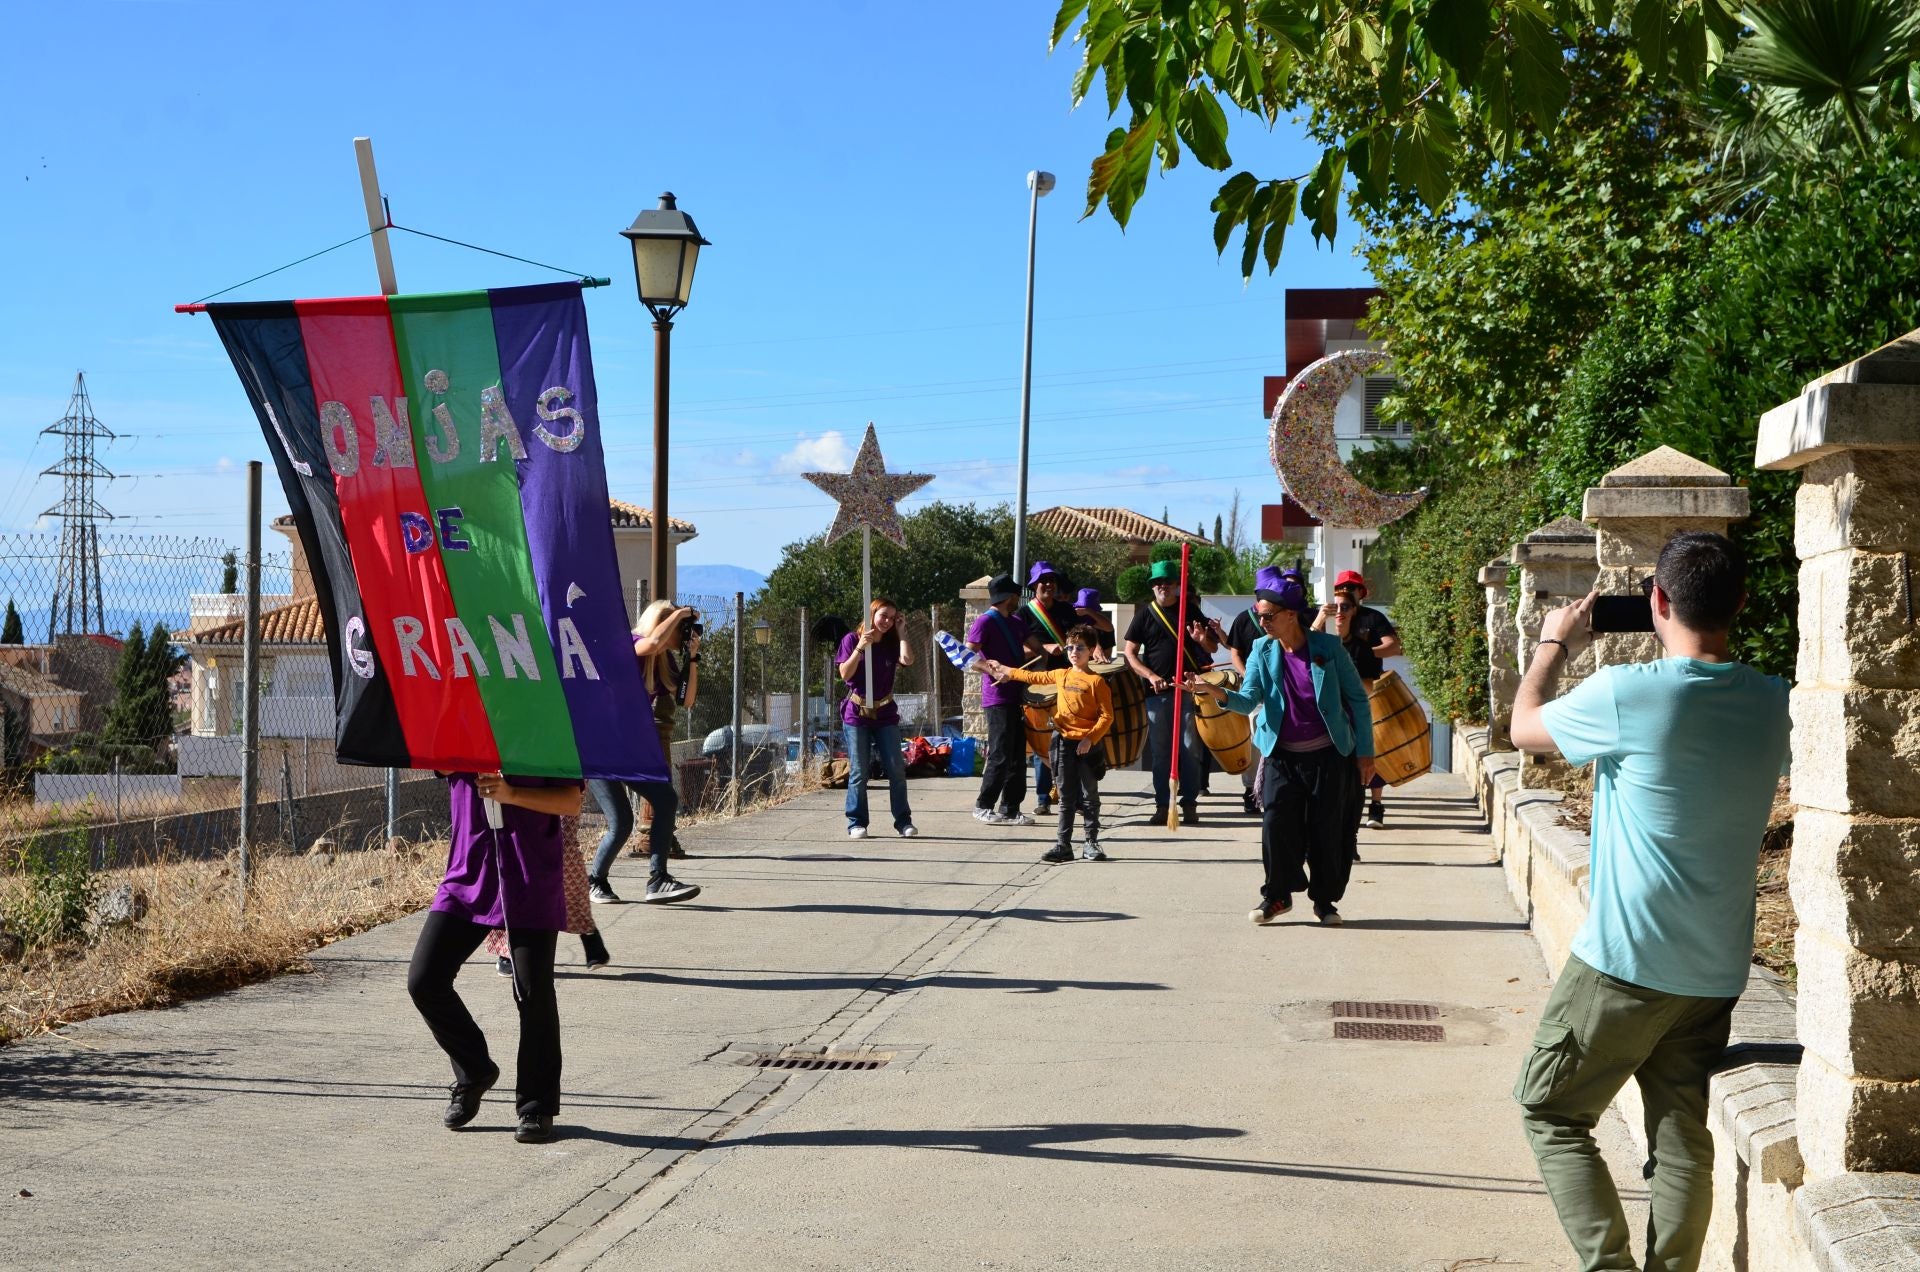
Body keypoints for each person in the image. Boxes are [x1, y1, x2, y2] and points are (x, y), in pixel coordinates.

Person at [1507, 532, 1789, 1272]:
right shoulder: (1774, 702)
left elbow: (1523, 729)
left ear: (1657, 601)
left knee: (1551, 1110)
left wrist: (1552, 642)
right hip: (1714, 970)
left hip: (1624, 965)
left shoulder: (1625, 694)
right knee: (1679, 1135)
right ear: (1742, 604)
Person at [408, 770, 582, 1144]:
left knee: (532, 990)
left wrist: (511, 792)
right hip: (467, 874)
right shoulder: (457, 728)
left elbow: (570, 801)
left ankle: (536, 1105)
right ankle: (474, 1071)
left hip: (529, 874)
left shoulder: (545, 726)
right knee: (425, 980)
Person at [1189, 573, 1373, 926]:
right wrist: (1215, 693)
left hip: (1329, 755)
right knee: (1275, 824)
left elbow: (1358, 703)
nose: (1262, 622)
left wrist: (1365, 754)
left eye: (1268, 615)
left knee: (1327, 830)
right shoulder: (1262, 649)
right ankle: (1277, 896)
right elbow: (1249, 701)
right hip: (1281, 754)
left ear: (1291, 614)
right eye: (1260, 615)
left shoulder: (1328, 649)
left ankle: (1325, 901)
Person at [583, 599, 701, 906]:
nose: (681, 635)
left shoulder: (662, 660)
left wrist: (693, 656)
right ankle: (594, 881)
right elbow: (652, 641)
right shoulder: (630, 643)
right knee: (621, 821)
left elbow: (686, 700)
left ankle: (658, 879)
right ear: (664, 622)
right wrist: (679, 614)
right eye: (679, 629)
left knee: (665, 799)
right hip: (598, 745)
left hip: (629, 747)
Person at [984, 624, 1114, 862]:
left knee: (1089, 796)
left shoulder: (1097, 682)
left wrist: (1089, 738)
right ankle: (1063, 845)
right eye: (1071, 647)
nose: (1074, 652)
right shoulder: (1061, 674)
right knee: (1065, 798)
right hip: (1063, 743)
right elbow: (1033, 675)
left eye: (1081, 648)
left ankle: (1091, 843)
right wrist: (1006, 670)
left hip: (1087, 746)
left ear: (1092, 650)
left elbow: (1107, 716)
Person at [1122, 557, 1219, 825]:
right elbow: (1130, 653)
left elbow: (1212, 648)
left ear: (1177, 585)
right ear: (1152, 587)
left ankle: (1189, 804)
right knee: (1161, 752)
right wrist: (1151, 676)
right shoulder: (1144, 614)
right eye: (1158, 583)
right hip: (1156, 694)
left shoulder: (1190, 611)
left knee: (1190, 749)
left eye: (1168, 582)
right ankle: (1163, 806)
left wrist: (1202, 639)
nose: (1163, 586)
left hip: (1187, 689)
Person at [1311, 569, 1401, 830]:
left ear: (1361, 593)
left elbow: (1393, 646)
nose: (1347, 592)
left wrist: (1361, 653)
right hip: (1331, 700)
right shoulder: (1327, 616)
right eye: (1342, 587)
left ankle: (1375, 804)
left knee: (1372, 747)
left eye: (1353, 588)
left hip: (1365, 691)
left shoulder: (1373, 617)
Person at [837, 597, 918, 839]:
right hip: (857, 713)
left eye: (892, 618)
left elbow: (907, 660)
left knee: (896, 768)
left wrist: (902, 633)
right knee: (860, 771)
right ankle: (856, 822)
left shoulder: (892, 642)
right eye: (883, 615)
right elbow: (844, 673)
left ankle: (903, 821)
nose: (887, 621)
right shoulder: (852, 639)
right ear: (872, 614)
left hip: (884, 713)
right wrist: (861, 647)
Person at [967, 574, 1039, 826]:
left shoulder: (1017, 623)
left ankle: (1010, 808)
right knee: (999, 753)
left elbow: (1034, 648)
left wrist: (1037, 653)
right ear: (1010, 597)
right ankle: (983, 805)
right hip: (997, 697)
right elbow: (967, 656)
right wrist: (992, 668)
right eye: (1016, 595)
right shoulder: (984, 622)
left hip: (1018, 694)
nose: (1018, 599)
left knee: (1018, 754)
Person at [1022, 561, 1080, 817]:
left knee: (1071, 736)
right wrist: (1042, 649)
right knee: (1042, 739)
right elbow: (1016, 650)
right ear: (1034, 585)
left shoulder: (1067, 611)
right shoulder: (1024, 615)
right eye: (1043, 581)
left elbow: (1080, 637)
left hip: (1069, 680)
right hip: (1040, 682)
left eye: (1051, 581)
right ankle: (1043, 796)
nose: (1048, 585)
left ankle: (1072, 795)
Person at [1073, 586, 1117, 657]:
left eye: (1088, 609)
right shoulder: (1072, 622)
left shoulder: (1103, 626)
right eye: (1081, 608)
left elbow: (1107, 653)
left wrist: (1088, 611)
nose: (1083, 612)